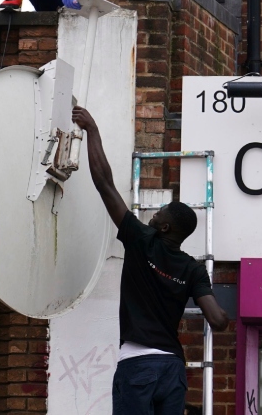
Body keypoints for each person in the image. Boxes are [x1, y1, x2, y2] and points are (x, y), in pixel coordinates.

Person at [72, 105, 229, 415]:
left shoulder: (142, 240)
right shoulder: (193, 269)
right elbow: (218, 320)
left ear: (166, 226)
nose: (153, 215)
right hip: (172, 369)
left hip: (137, 364)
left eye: (158, 214)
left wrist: (92, 130)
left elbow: (105, 184)